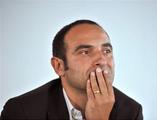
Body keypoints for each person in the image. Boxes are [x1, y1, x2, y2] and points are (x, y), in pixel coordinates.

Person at [0, 20, 143, 120]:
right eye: (85, 52)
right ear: (59, 66)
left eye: (106, 51)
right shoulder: (22, 111)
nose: (102, 60)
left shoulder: (131, 111)